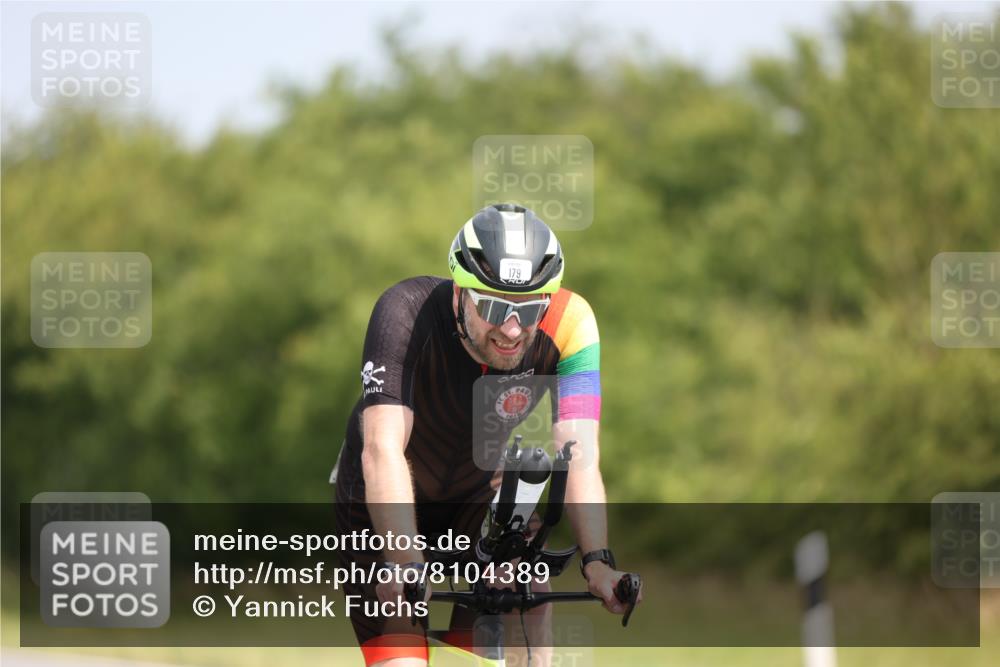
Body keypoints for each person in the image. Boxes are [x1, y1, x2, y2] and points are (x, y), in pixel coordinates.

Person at [333, 203, 632, 667]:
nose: (512, 329)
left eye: (530, 309)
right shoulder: (406, 312)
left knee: (525, 594)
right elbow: (382, 449)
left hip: (477, 495)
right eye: (493, 306)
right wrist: (405, 560)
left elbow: (580, 456)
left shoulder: (573, 323)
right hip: (383, 497)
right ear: (459, 294)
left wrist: (598, 559)